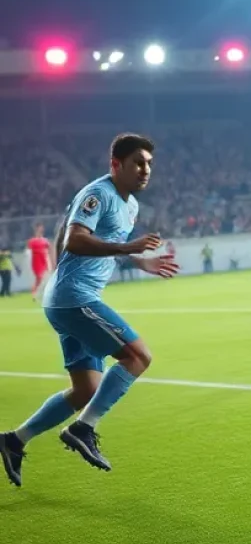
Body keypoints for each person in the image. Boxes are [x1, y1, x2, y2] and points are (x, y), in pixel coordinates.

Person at [0, 134, 178, 487]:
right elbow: (74, 239)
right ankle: (83, 428)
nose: (145, 170)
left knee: (85, 388)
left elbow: (84, 239)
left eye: (148, 165)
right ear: (116, 165)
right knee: (138, 357)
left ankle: (14, 440)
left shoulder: (130, 206)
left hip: (67, 299)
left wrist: (139, 262)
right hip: (74, 298)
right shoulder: (98, 194)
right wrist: (127, 245)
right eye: (138, 163)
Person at [25, 224, 52, 301]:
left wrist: (49, 261)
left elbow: (48, 251)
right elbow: (28, 252)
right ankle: (34, 294)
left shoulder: (45, 241)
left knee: (45, 279)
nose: (40, 230)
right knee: (39, 278)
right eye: (39, 229)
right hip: (36, 261)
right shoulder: (32, 241)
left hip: (44, 261)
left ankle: (42, 294)